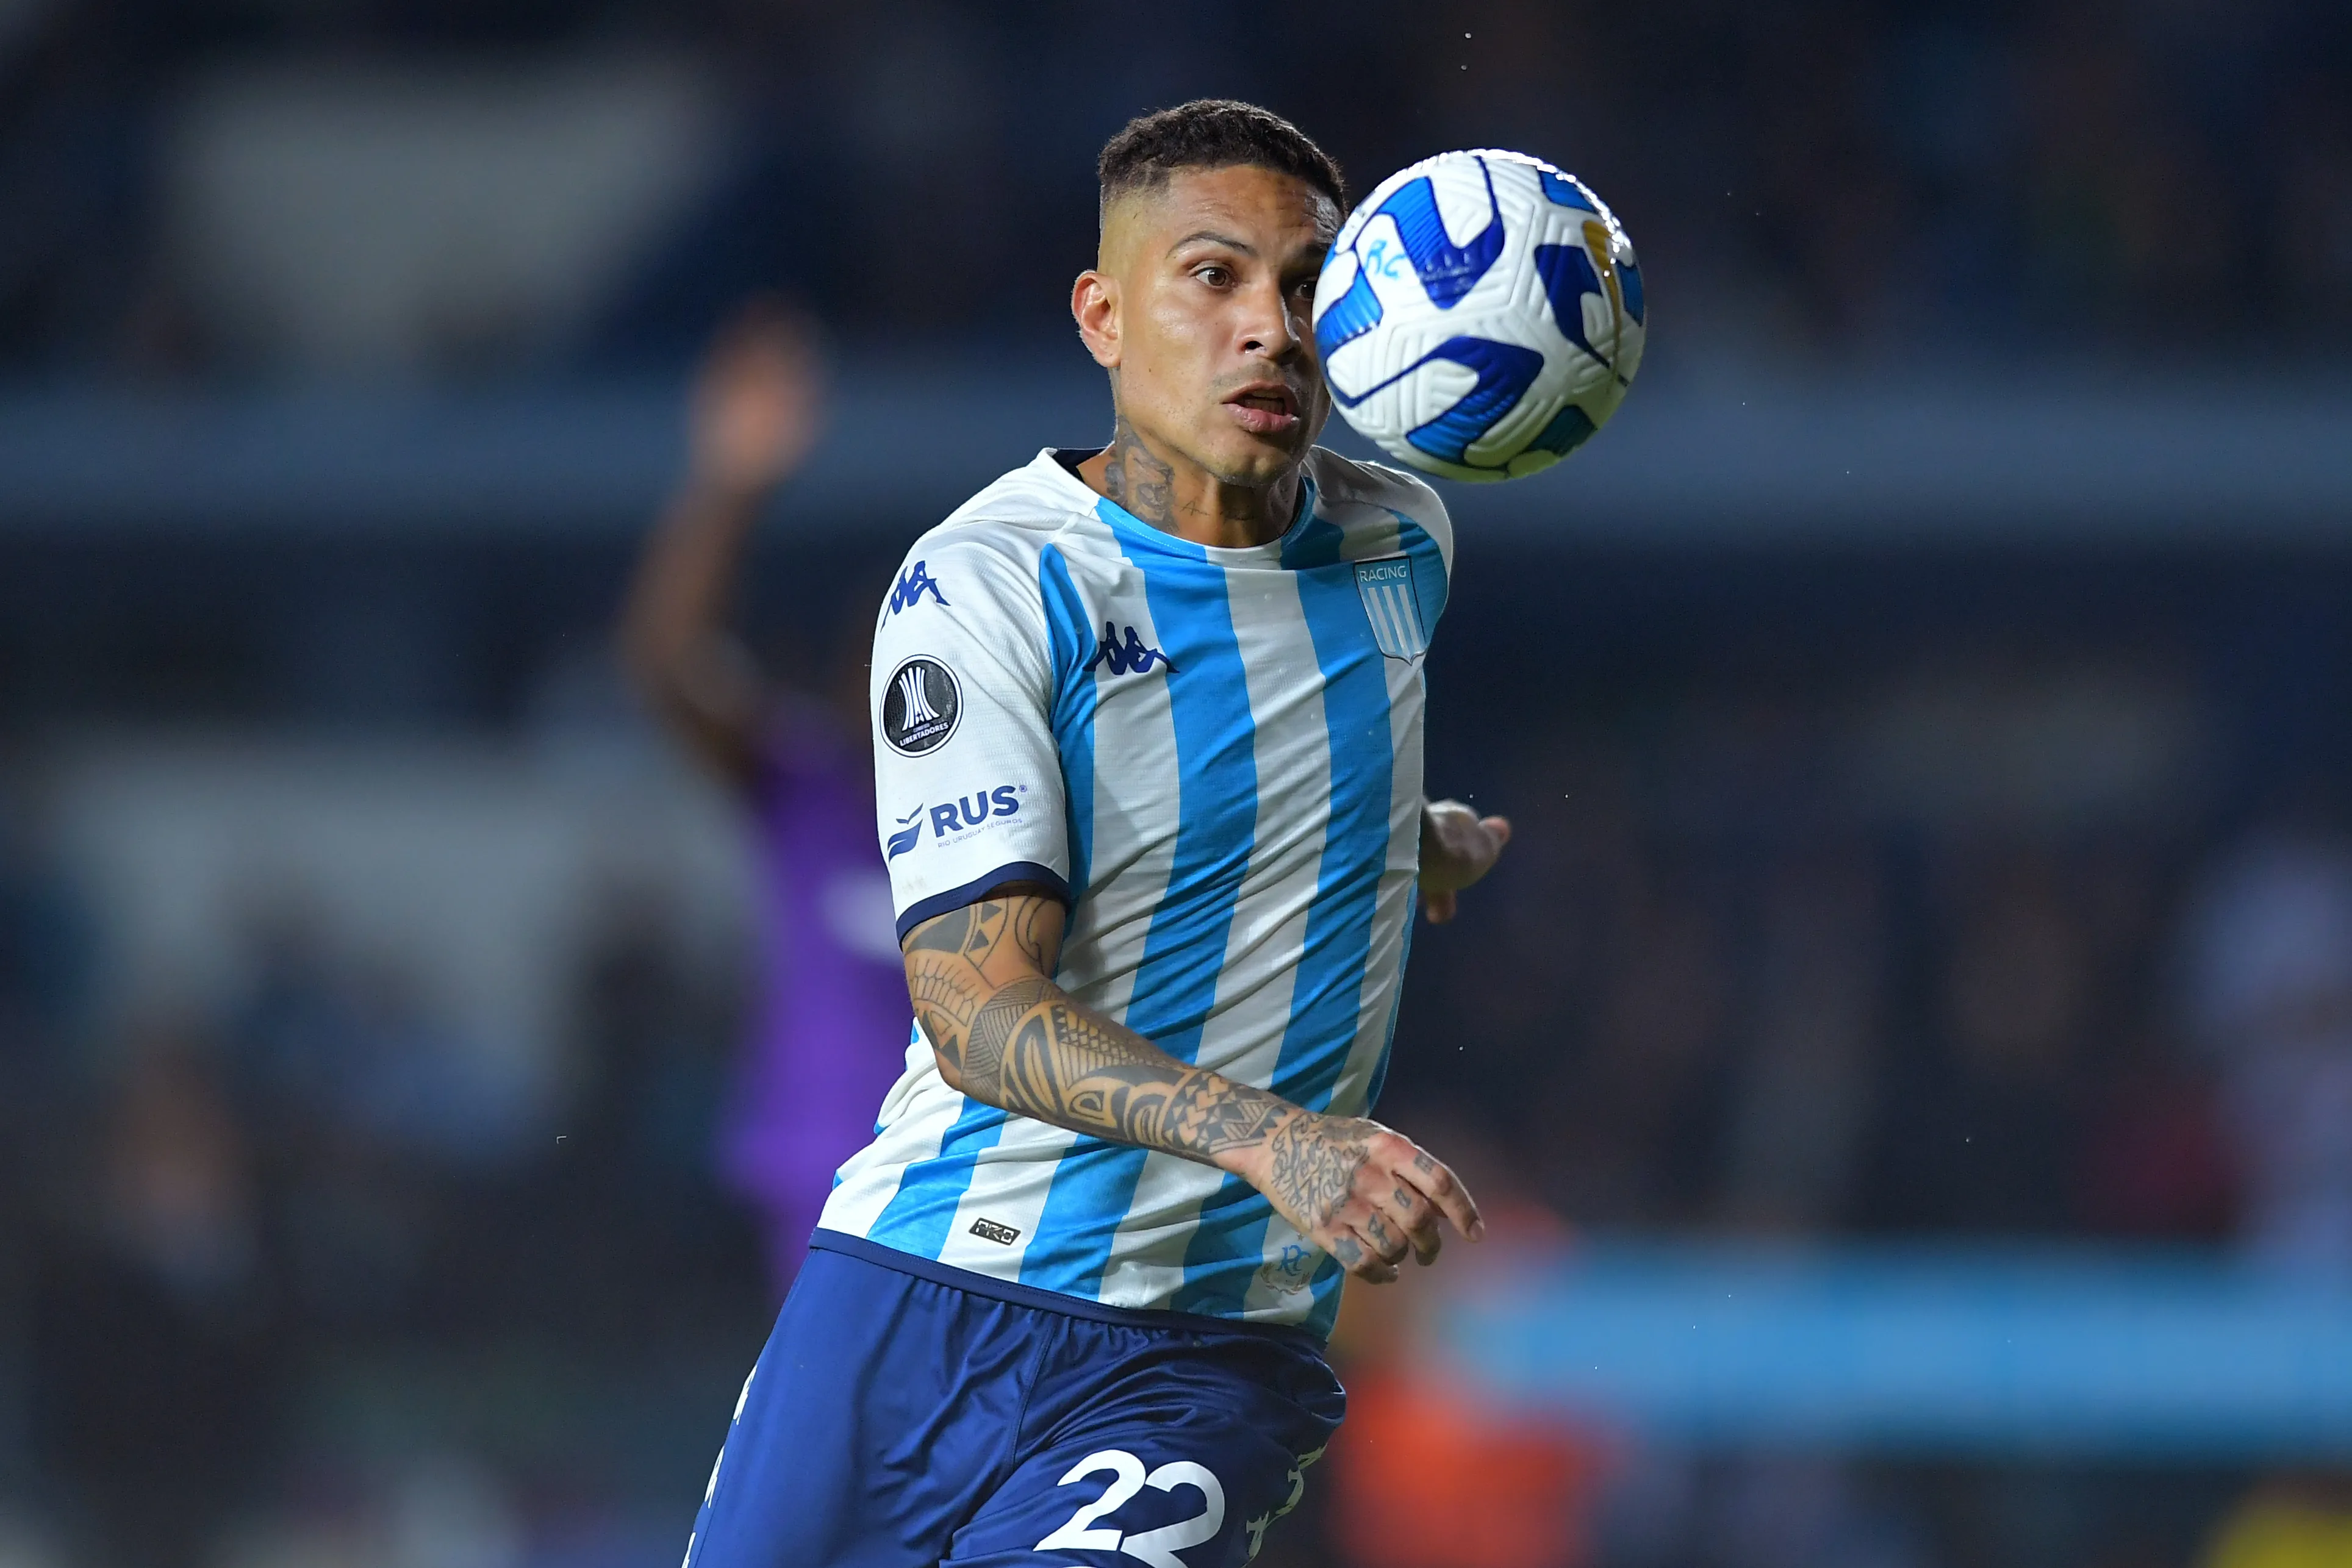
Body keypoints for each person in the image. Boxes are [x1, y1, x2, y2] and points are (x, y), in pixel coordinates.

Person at [683, 100, 1513, 1567]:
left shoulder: (1400, 547)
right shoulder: (991, 587)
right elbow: (971, 1005)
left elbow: (1281, 751)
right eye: (1213, 276)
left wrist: (1400, 843)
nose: (1271, 326)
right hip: (912, 1295)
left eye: (1308, 283)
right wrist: (1278, 1139)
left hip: (1201, 1351)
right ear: (1104, 316)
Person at [622, 308, 914, 1295]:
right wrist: (728, 483)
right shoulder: (803, 785)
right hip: (825, 1197)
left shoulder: (1027, 817)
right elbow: (668, 664)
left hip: (987, 1207)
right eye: (881, 662)